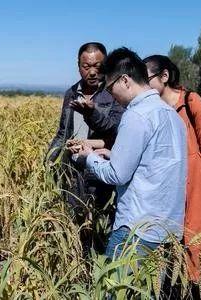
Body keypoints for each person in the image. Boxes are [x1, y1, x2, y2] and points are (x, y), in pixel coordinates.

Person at [70, 47, 187, 259]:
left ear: (125, 80)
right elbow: (154, 163)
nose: (112, 96)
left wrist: (89, 157)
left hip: (137, 229)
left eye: (111, 88)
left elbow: (117, 175)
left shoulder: (136, 116)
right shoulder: (172, 115)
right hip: (169, 229)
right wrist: (112, 154)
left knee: (115, 289)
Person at [143, 55, 201, 282]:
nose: (144, 86)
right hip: (168, 182)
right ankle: (179, 281)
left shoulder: (191, 101)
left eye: (147, 80)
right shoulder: (153, 108)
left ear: (164, 76)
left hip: (196, 178)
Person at [47, 42, 124, 253]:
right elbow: (63, 132)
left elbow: (115, 130)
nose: (91, 72)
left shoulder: (114, 94)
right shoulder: (71, 94)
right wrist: (50, 160)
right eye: (85, 66)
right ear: (78, 65)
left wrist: (92, 114)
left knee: (101, 228)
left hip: (101, 176)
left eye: (97, 66)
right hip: (73, 175)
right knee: (75, 228)